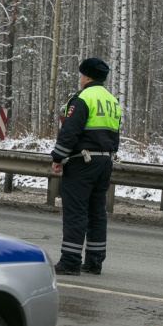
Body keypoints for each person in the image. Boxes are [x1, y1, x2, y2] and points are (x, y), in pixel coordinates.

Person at [51, 57, 121, 275]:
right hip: (105, 161)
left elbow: (70, 130)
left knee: (76, 212)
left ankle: (70, 262)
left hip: (83, 161)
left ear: (87, 76)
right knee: (96, 212)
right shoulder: (112, 101)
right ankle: (94, 261)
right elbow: (115, 135)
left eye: (81, 75)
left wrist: (58, 157)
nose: (80, 79)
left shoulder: (82, 98)